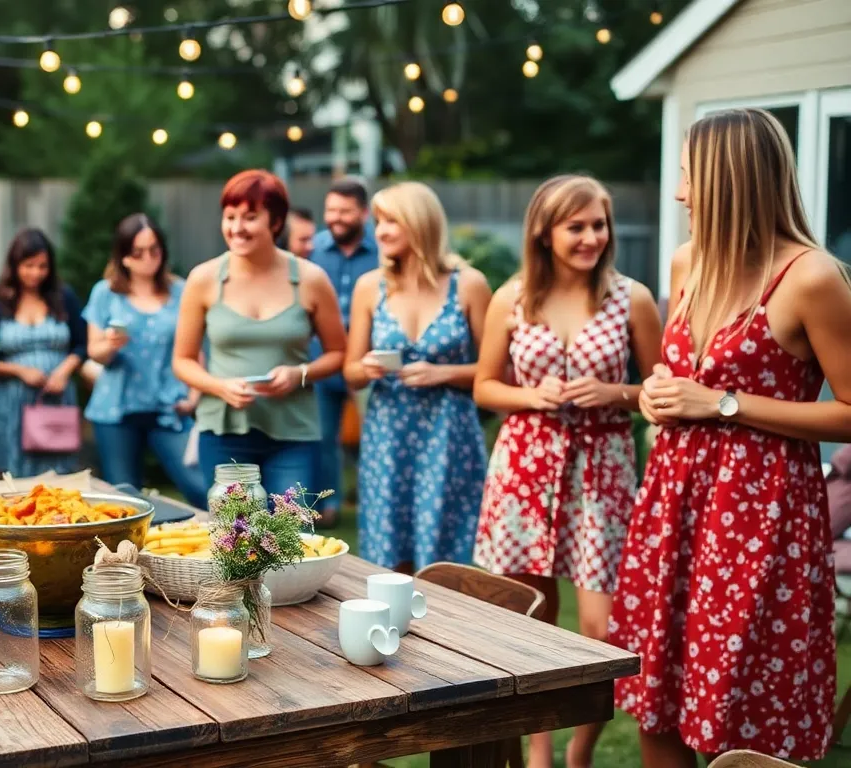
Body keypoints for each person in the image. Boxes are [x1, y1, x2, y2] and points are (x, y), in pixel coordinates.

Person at [612, 108, 851, 766]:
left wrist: (721, 404)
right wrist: (661, 393)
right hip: (674, 503)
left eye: (688, 176)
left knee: (743, 711)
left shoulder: (812, 278)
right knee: (659, 699)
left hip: (760, 517)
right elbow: (685, 372)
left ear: (727, 180)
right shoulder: (688, 262)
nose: (679, 193)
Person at [472, 174, 662, 768]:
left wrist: (614, 391)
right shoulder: (512, 297)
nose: (590, 237)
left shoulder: (632, 298)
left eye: (598, 225)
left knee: (603, 628)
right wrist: (533, 396)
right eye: (575, 226)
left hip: (601, 474)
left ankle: (580, 750)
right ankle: (539, 751)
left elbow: (660, 391)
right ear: (545, 233)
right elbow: (484, 386)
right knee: (532, 620)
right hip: (524, 468)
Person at [343, 182, 491, 572]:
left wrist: (442, 372)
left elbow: (498, 372)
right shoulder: (369, 287)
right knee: (389, 560)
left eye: (392, 220)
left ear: (421, 223)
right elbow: (350, 372)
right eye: (378, 221)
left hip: (449, 437)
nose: (381, 231)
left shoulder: (469, 284)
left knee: (445, 560)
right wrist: (368, 367)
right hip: (387, 438)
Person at [173, 170, 346, 500]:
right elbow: (182, 361)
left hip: (294, 431)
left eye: (250, 217)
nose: (237, 228)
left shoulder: (311, 280)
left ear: (276, 222)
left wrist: (300, 373)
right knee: (234, 540)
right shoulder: (203, 279)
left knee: (289, 537)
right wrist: (219, 386)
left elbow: (338, 352)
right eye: (230, 216)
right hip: (224, 429)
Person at [84, 214, 206, 507]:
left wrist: (194, 397)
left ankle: (228, 546)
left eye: (155, 250)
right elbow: (93, 352)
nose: (148, 258)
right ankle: (130, 554)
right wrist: (110, 345)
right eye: (139, 252)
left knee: (201, 486)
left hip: (169, 405)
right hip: (116, 409)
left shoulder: (182, 291)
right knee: (125, 501)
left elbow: (196, 350)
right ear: (124, 257)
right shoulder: (105, 293)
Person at [0, 229, 87, 478]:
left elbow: (82, 345)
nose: (35, 273)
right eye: (28, 266)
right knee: (15, 478)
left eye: (42, 266)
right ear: (15, 266)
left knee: (59, 476)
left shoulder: (63, 297)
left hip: (56, 402)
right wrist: (19, 371)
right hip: (11, 403)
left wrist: (63, 371)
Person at [308, 178, 377, 526]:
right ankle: (327, 506)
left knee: (374, 436)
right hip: (323, 357)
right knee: (323, 437)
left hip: (370, 361)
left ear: (363, 213)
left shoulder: (382, 250)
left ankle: (374, 503)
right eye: (331, 210)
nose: (336, 218)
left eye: (345, 211)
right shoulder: (314, 249)